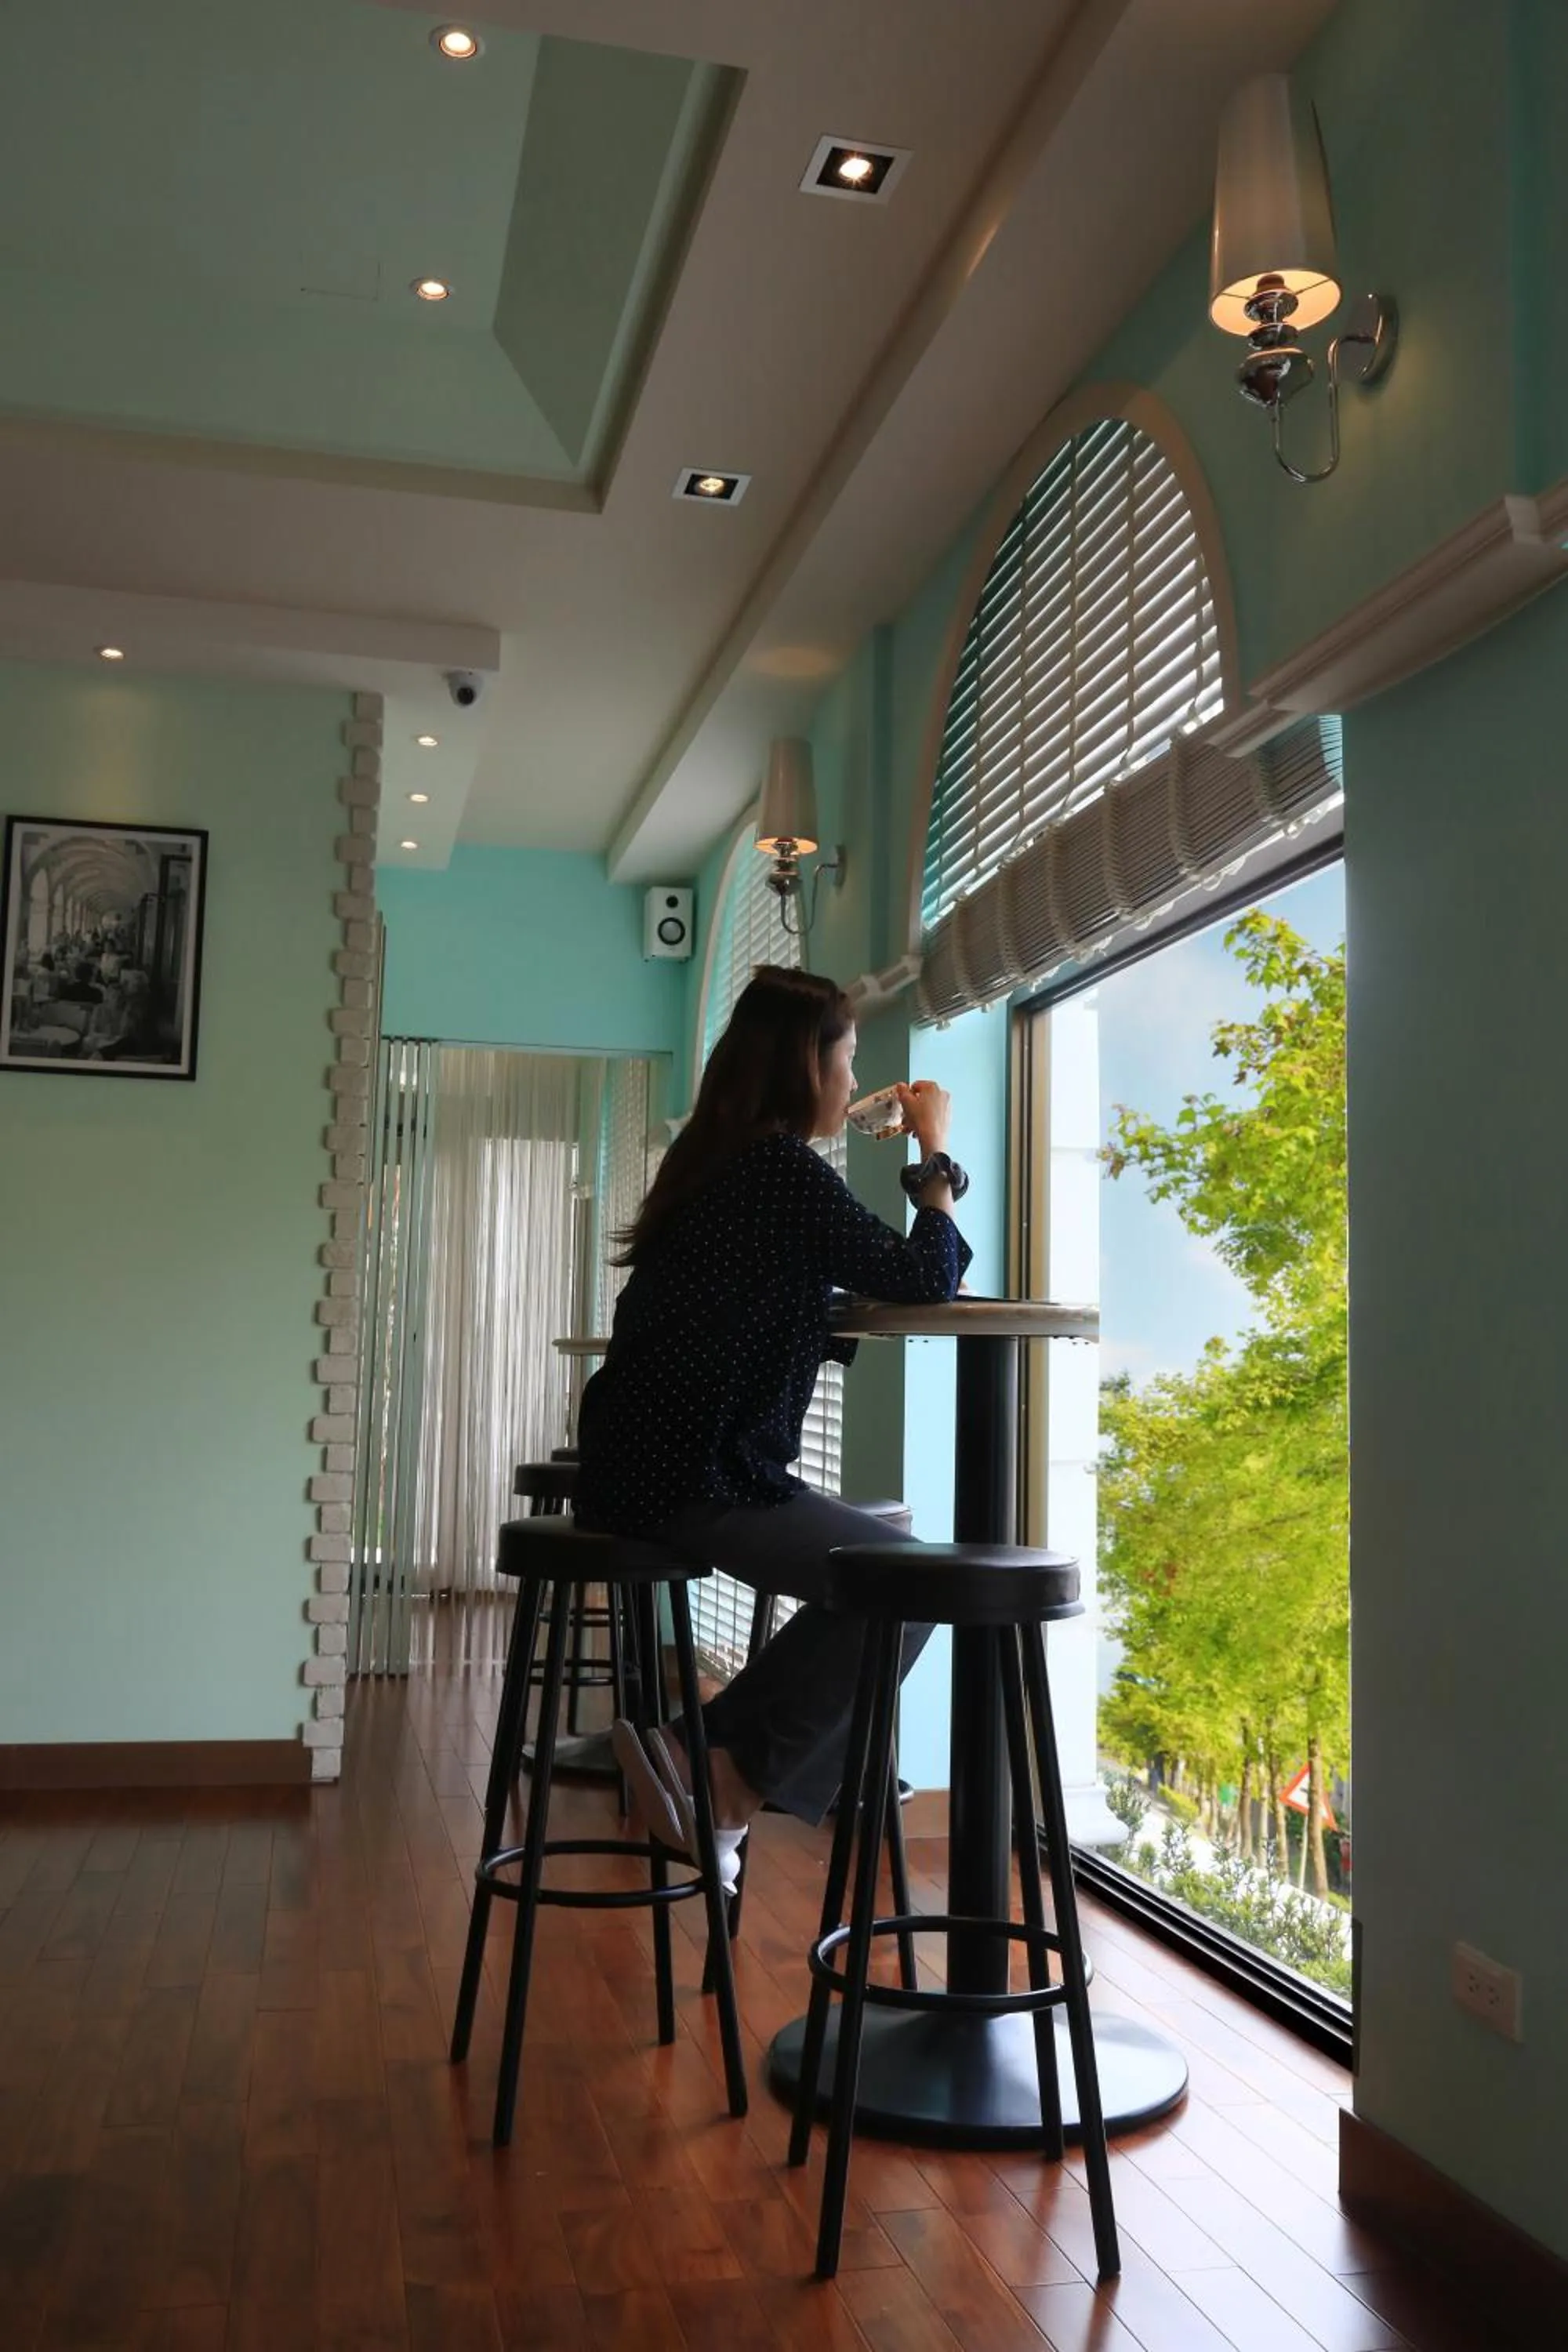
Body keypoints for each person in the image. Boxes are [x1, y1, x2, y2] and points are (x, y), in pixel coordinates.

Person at [575, 965, 971, 1887]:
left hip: (641, 1460)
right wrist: (933, 1154)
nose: (850, 1080)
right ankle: (717, 1774)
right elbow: (922, 1277)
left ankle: (711, 1766)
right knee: (913, 1585)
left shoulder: (720, 1160)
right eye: (848, 1058)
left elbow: (829, 1283)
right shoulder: (776, 1168)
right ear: (808, 1063)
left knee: (890, 1569)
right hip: (693, 1474)